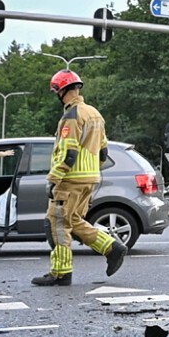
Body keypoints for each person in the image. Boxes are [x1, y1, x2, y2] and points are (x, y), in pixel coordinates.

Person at [32, 70, 127, 286]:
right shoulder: (94, 114)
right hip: (89, 178)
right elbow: (103, 152)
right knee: (73, 221)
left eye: (56, 91)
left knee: (56, 223)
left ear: (62, 90)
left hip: (70, 179)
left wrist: (54, 179)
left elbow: (69, 153)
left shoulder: (71, 116)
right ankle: (112, 248)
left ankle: (61, 273)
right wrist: (91, 172)